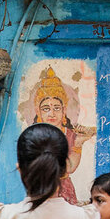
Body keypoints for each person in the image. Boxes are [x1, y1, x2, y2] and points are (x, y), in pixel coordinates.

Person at [31, 67, 96, 204]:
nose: (52, 114)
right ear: (39, 112)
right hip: (43, 190)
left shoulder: (71, 134)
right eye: (46, 109)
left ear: (64, 110)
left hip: (66, 191)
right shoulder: (35, 138)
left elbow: (70, 168)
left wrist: (78, 143)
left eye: (56, 108)